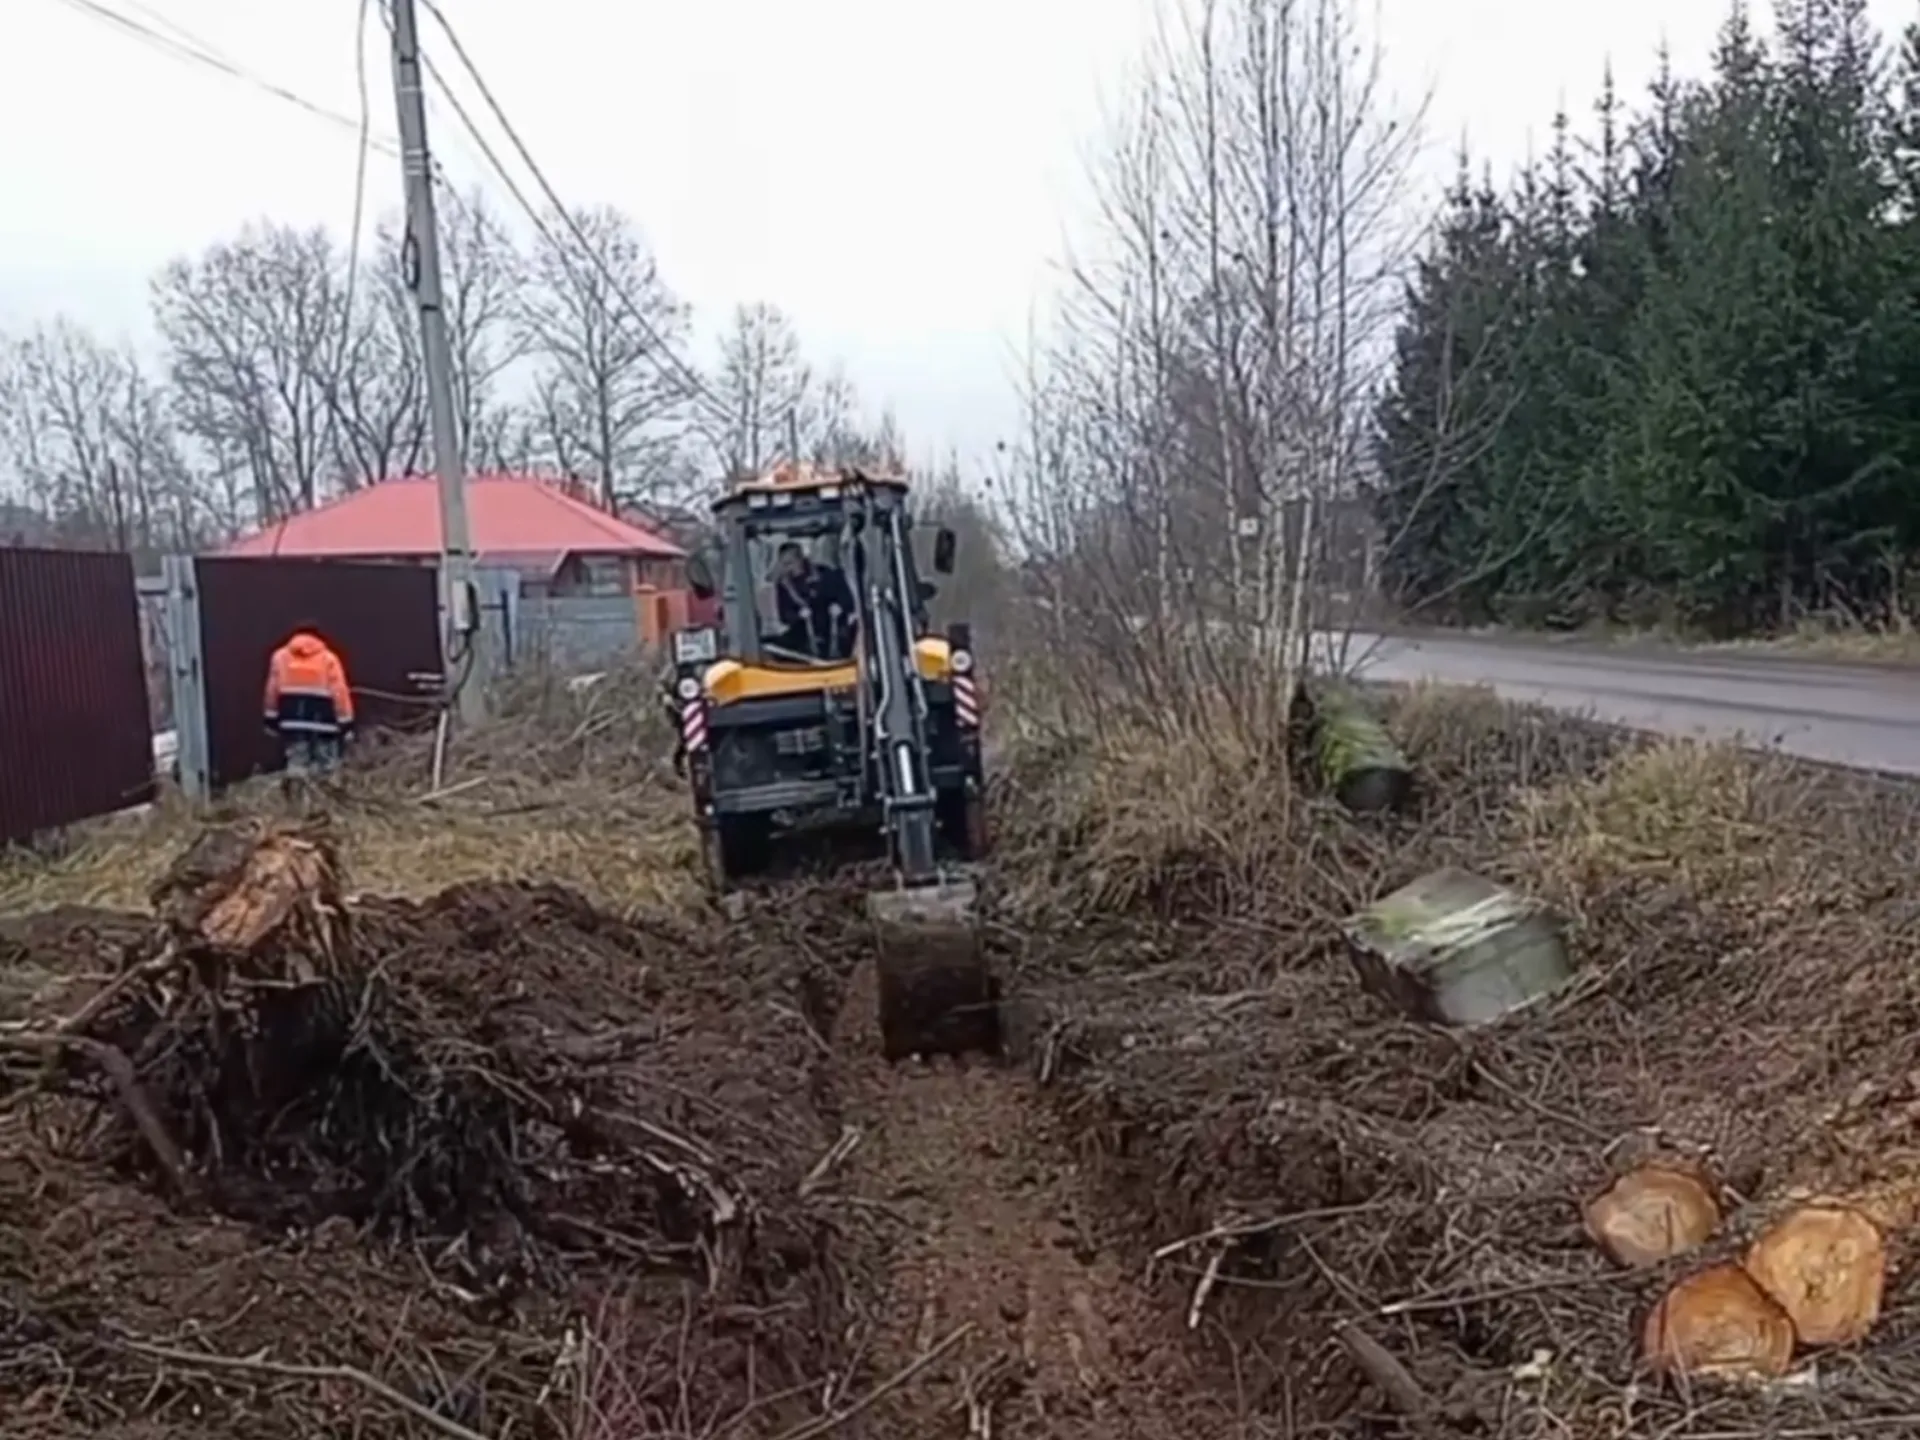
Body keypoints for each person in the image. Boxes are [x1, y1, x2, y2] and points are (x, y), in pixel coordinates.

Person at [262, 623, 355, 775]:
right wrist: (346, 722)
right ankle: (325, 796)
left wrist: (270, 718)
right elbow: (339, 692)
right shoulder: (328, 658)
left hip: (292, 721)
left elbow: (272, 690)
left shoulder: (280, 657)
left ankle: (299, 796)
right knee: (327, 768)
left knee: (297, 767)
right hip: (324, 722)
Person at [772, 542, 855, 659]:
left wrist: (840, 606)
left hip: (833, 628)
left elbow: (848, 599)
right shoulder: (784, 586)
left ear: (800, 559)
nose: (788, 568)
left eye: (790, 563)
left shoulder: (826, 574)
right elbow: (784, 616)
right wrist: (799, 615)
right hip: (803, 633)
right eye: (784, 564)